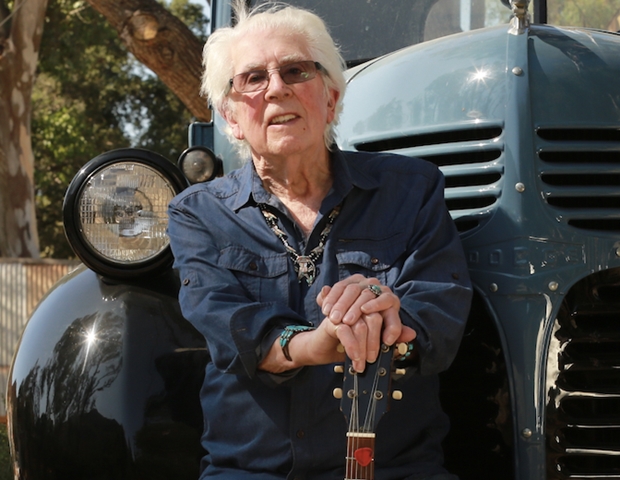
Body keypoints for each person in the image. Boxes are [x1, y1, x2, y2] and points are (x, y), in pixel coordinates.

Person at [167, 1, 473, 479]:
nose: (277, 88)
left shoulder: (411, 190)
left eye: (296, 71)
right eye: (253, 78)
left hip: (397, 469)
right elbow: (232, 329)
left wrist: (384, 318)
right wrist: (319, 342)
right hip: (252, 471)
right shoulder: (198, 213)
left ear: (330, 99)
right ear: (231, 117)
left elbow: (439, 316)